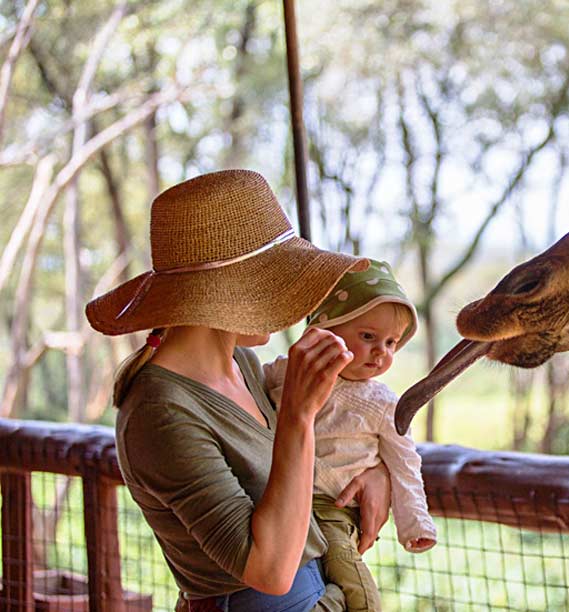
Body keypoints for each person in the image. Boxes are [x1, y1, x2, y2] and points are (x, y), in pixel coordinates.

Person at [85, 169, 391, 612]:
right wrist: (298, 415)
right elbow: (269, 570)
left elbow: (301, 466)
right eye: (275, 281)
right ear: (231, 292)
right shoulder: (159, 412)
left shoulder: (242, 363)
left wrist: (376, 470)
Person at [263, 260, 437, 612]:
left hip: (334, 509)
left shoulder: (383, 403)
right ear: (325, 329)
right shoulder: (286, 371)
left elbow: (405, 464)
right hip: (280, 500)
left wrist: (414, 522)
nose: (381, 352)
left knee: (349, 575)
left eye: (391, 342)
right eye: (369, 337)